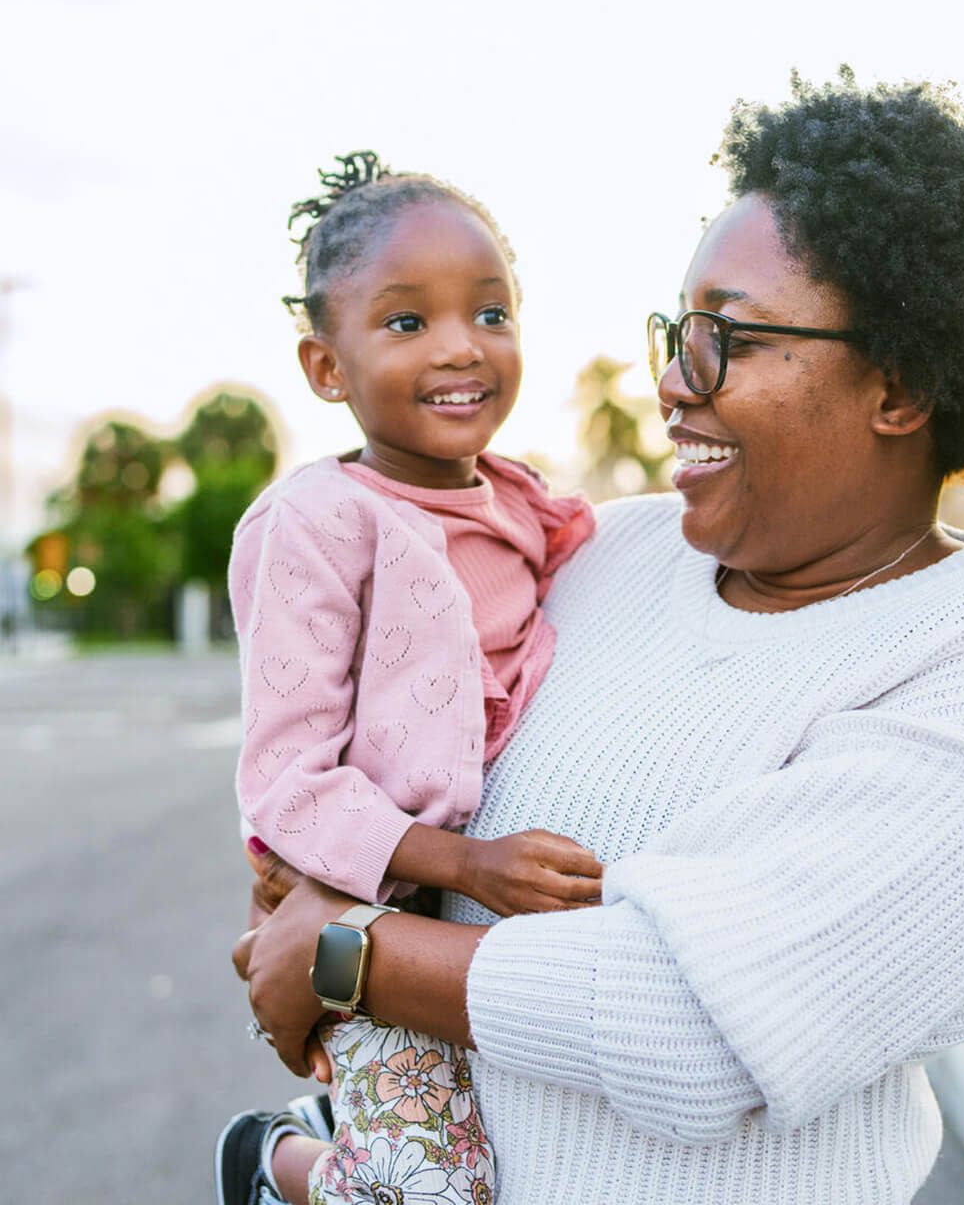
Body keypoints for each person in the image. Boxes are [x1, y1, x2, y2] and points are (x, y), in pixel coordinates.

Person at [232, 73, 964, 1205]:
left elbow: (694, 1025)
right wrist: (309, 876)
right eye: (677, 331)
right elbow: (377, 743)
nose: (671, 381)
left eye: (727, 340)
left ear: (899, 386)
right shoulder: (605, 551)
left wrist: (342, 954)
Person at [215, 153, 602, 1205]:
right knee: (432, 1190)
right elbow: (286, 782)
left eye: (490, 312)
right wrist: (468, 865)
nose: (461, 349)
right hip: (365, 900)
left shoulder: (527, 510)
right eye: (406, 323)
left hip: (463, 926)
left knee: (496, 1157)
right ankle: (272, 1164)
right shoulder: (317, 523)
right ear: (324, 367)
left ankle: (328, 1145)